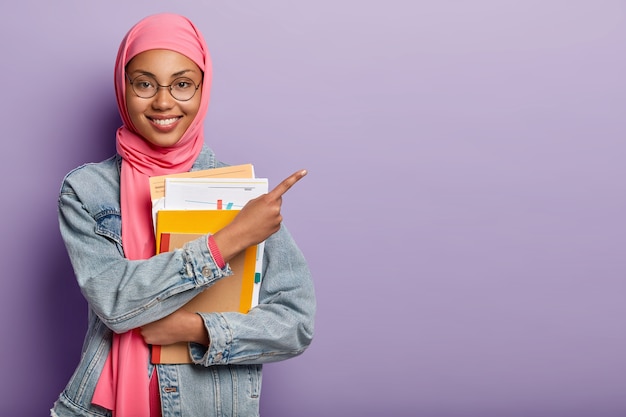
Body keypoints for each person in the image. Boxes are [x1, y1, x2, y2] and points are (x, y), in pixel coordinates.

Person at [51, 13, 315, 417]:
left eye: (182, 84)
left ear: (203, 89)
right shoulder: (86, 190)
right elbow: (115, 302)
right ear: (124, 88)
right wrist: (227, 242)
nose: (162, 101)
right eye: (144, 83)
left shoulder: (240, 196)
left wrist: (198, 330)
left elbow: (296, 324)